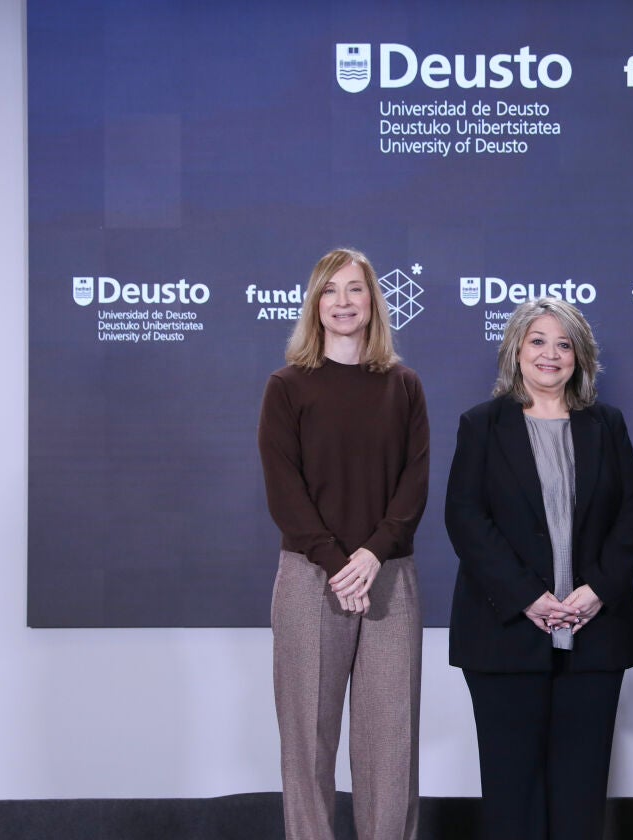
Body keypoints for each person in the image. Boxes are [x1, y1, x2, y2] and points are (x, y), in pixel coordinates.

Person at [445, 297, 633, 840]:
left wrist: (599, 589)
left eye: (564, 344)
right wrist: (526, 596)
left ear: (580, 357)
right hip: (505, 636)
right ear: (515, 350)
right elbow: (465, 518)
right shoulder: (481, 425)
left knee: (581, 792)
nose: (550, 354)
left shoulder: (606, 424)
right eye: (538, 341)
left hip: (594, 635)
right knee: (512, 792)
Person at [258, 247, 429, 840]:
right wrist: (338, 564)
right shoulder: (286, 387)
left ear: (373, 301)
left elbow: (414, 483)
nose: (342, 302)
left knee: (391, 742)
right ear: (314, 304)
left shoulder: (404, 386)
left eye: (354, 289)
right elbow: (285, 489)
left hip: (389, 576)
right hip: (311, 577)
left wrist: (373, 554)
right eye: (329, 291)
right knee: (308, 739)